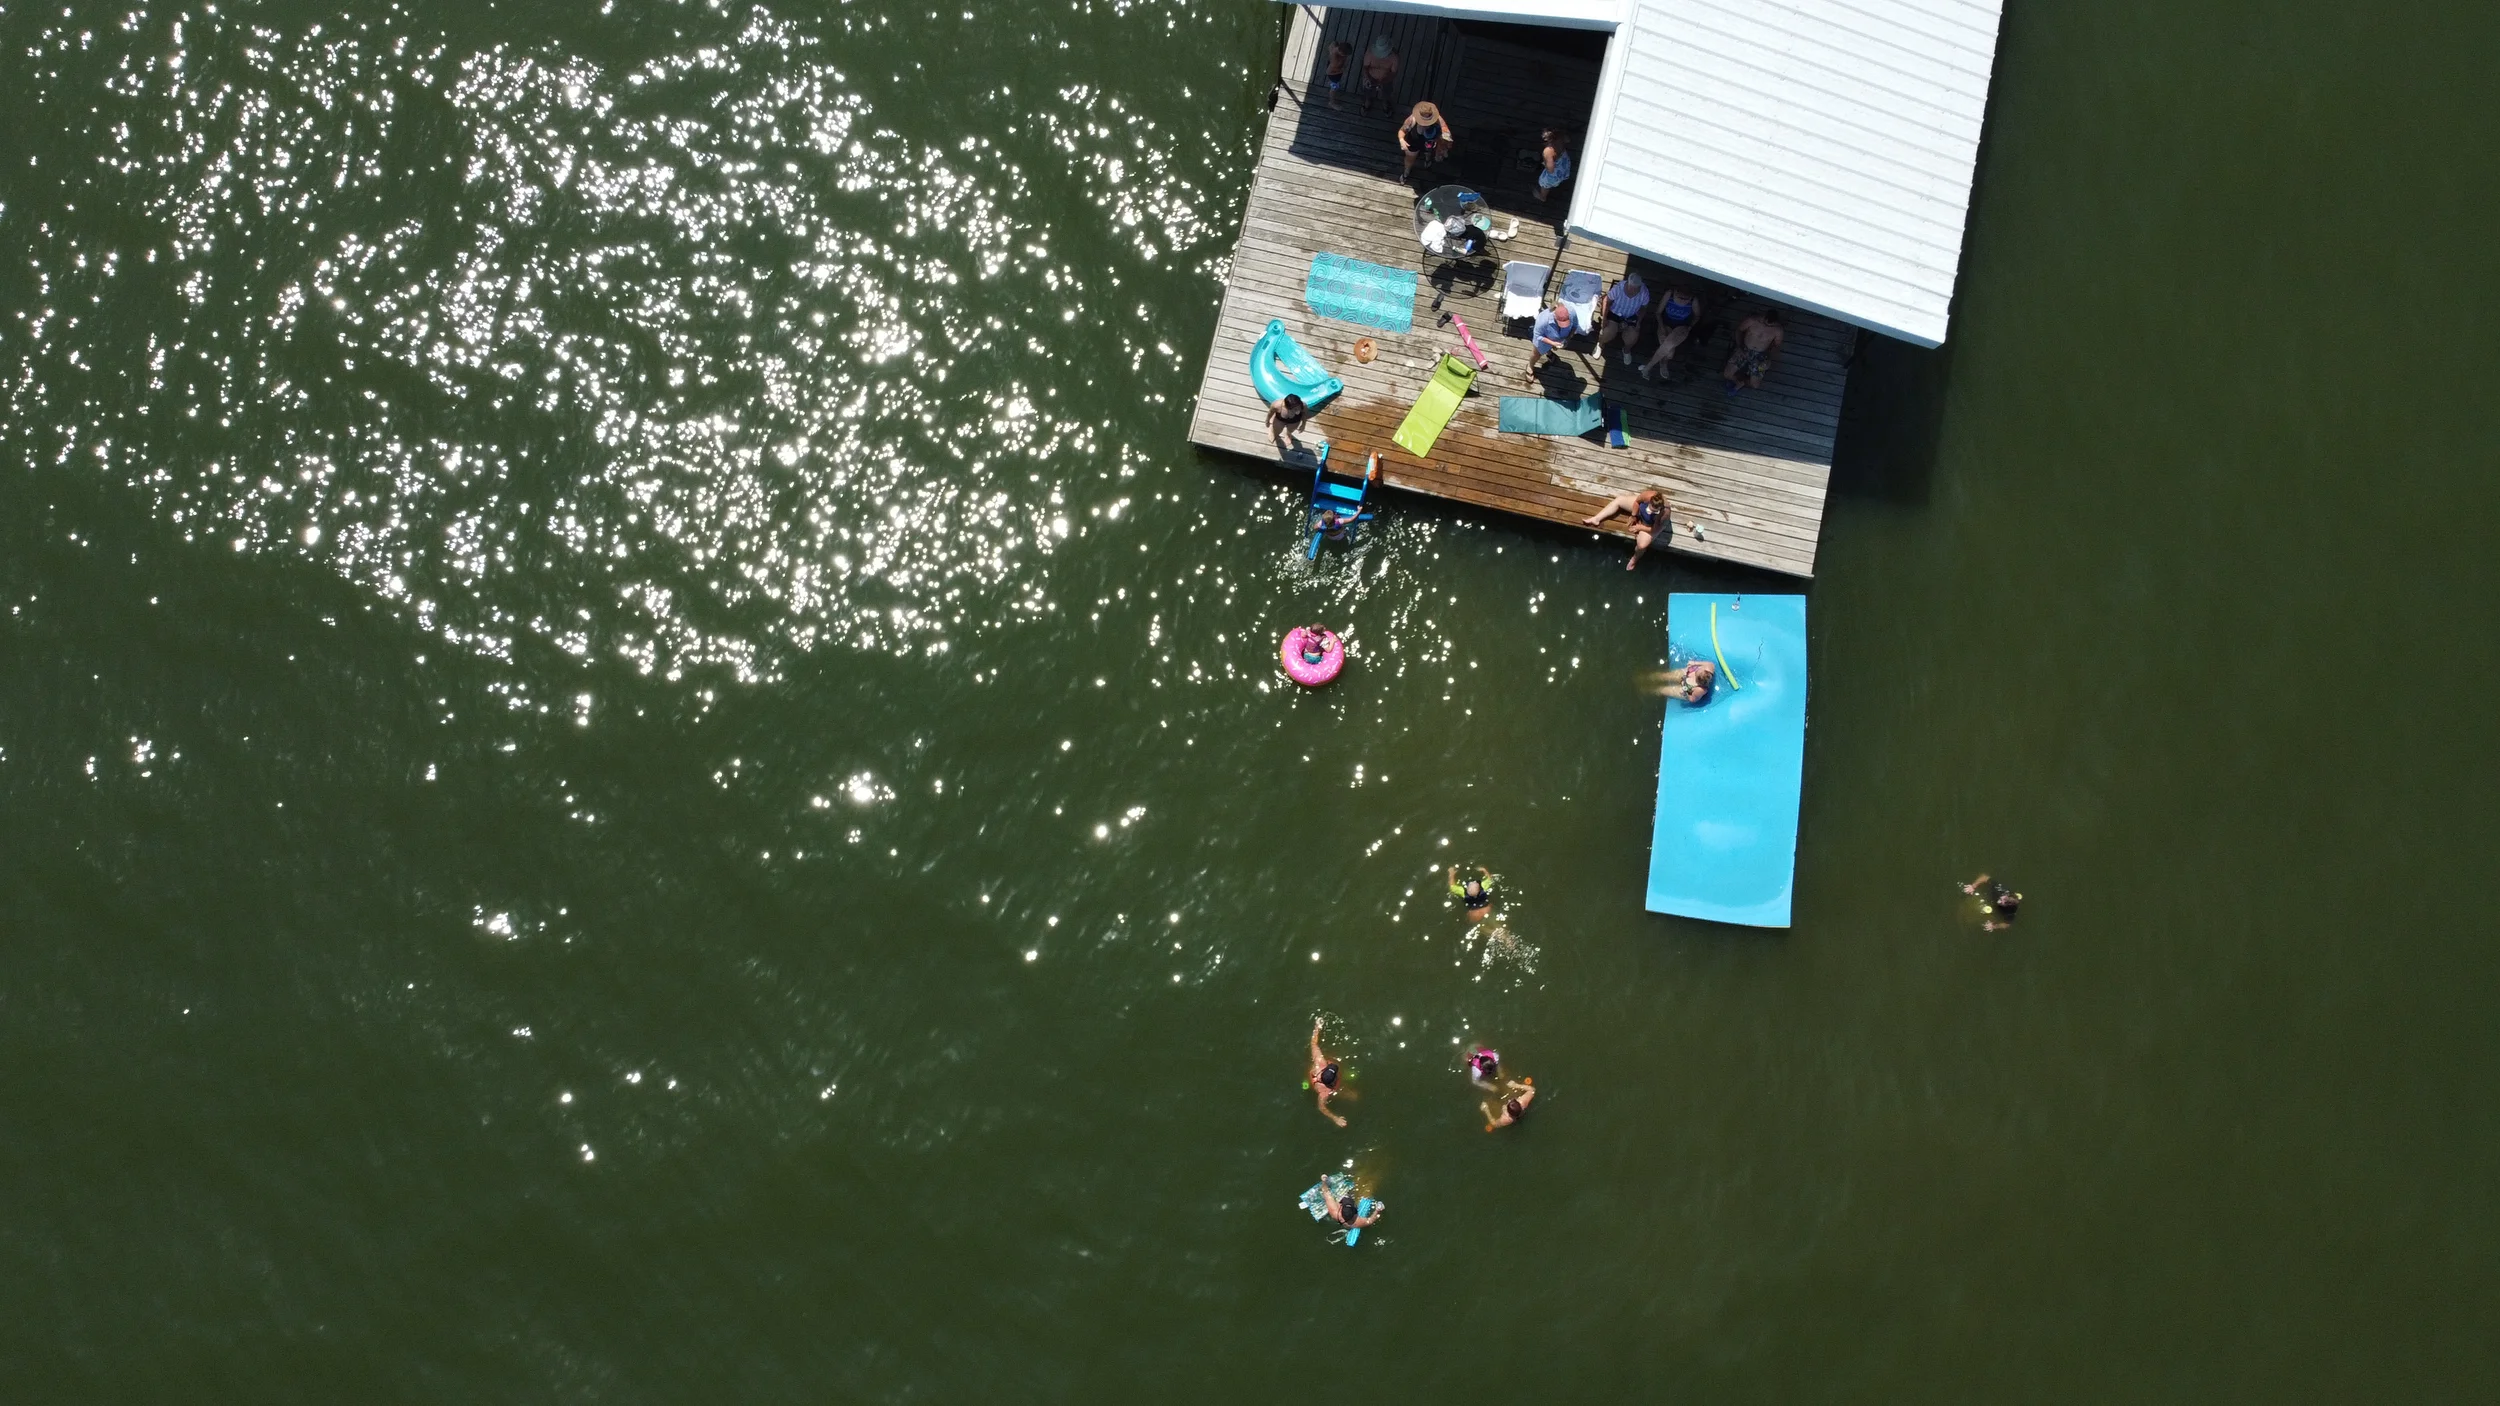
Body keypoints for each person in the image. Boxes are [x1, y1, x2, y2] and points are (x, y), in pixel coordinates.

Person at [1581, 486, 1671, 570]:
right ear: (1650, 501)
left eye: (1654, 511)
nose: (1651, 512)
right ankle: (1596, 519)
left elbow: (1654, 529)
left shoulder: (1663, 514)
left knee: (1642, 545)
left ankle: (1635, 558)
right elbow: (1637, 502)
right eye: (1650, 509)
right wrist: (1634, 515)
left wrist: (1640, 527)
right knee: (1619, 500)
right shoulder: (1647, 495)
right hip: (1641, 511)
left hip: (1650, 524)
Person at [1637, 285, 1703, 380]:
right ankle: (1663, 363)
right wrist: (1662, 327)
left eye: (1686, 299)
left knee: (1669, 344)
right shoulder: (1669, 294)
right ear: (1676, 292)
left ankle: (1648, 367)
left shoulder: (1693, 300)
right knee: (1669, 353)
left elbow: (1697, 316)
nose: (1683, 300)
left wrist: (1689, 327)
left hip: (1681, 326)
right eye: (1680, 297)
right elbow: (1658, 313)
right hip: (1665, 323)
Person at [1722, 306, 1785, 392]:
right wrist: (1739, 346)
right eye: (1767, 322)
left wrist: (1768, 360)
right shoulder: (1752, 320)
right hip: (1745, 349)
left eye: (1771, 324)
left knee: (1755, 385)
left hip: (1761, 355)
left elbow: (1776, 346)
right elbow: (1739, 330)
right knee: (1727, 374)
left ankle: (1743, 382)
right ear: (1765, 316)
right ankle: (1738, 381)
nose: (1768, 325)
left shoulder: (1778, 330)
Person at [1595, 271, 1650, 363]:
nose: (1632, 290)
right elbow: (1606, 301)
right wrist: (1604, 318)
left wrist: (1639, 322)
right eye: (1631, 287)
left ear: (1640, 287)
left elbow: (1644, 308)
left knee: (1633, 335)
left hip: (1631, 316)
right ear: (1627, 283)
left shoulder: (1644, 292)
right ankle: (1600, 344)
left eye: (1635, 289)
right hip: (1615, 313)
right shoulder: (1619, 288)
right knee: (1608, 332)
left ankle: (1626, 350)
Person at [1307, 1017, 1348, 1126]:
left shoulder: (1320, 1062)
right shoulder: (1324, 1093)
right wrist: (1335, 1118)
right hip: (1318, 1084)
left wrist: (1317, 1027)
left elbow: (1313, 1044)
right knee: (1353, 1096)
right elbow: (1321, 1107)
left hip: (1315, 1076)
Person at [1397, 101, 1452, 179]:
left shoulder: (1438, 119)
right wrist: (1401, 140)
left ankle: (1427, 160)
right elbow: (1402, 131)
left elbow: (1445, 132)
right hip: (1414, 141)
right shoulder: (1412, 120)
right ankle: (1406, 172)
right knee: (1410, 158)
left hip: (1429, 141)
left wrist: (1443, 142)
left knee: (1428, 152)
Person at [1525, 300, 1575, 382]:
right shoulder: (1543, 321)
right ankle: (1530, 366)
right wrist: (1553, 343)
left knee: (1548, 348)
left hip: (1558, 338)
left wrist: (1568, 338)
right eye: (1561, 322)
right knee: (1536, 354)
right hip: (1543, 338)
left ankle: (1548, 352)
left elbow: (1574, 326)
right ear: (1555, 316)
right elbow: (1538, 336)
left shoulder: (1571, 312)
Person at [1357, 36, 1400, 113]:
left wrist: (1383, 82)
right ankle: (1367, 101)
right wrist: (1367, 78)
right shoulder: (1370, 53)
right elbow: (1365, 67)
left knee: (1386, 92)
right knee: (1367, 91)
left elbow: (1393, 73)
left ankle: (1385, 103)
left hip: (1386, 79)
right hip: (1370, 77)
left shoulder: (1394, 57)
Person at [1534, 128, 1574, 202]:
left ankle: (1543, 197)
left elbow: (1551, 169)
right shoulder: (1560, 138)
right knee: (1561, 177)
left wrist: (1545, 163)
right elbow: (1568, 140)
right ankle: (1560, 184)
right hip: (1564, 164)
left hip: (1555, 173)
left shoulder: (1548, 151)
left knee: (1544, 182)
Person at [1324, 40, 1351, 109]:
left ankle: (1330, 82)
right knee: (1334, 89)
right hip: (1334, 76)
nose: (1346, 56)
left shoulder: (1335, 47)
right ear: (1341, 52)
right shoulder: (1335, 62)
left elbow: (1332, 44)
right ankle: (1331, 102)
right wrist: (1341, 71)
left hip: (1334, 69)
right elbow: (1328, 72)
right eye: (1345, 55)